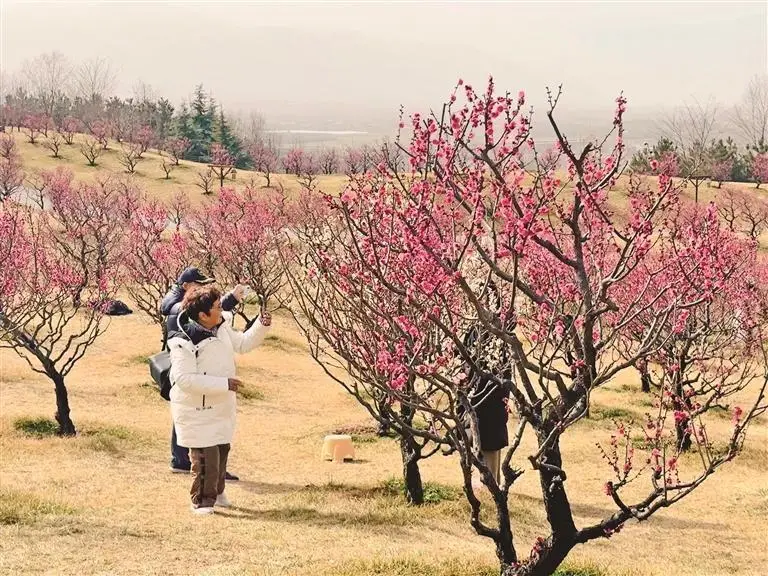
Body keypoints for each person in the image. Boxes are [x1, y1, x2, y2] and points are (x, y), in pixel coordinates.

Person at [167, 285, 271, 515]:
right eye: (216, 306)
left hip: (220, 406)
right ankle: (202, 501)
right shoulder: (183, 342)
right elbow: (184, 379)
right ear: (203, 315)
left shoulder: (221, 328)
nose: (221, 309)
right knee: (206, 458)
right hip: (197, 408)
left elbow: (242, 343)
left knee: (221, 450)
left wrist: (261, 326)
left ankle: (218, 492)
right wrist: (224, 384)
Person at [160, 266, 247, 478]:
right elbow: (202, 309)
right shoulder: (176, 305)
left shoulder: (181, 302)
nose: (203, 288)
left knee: (187, 416)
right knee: (190, 417)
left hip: (195, 370)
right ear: (186, 286)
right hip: (189, 366)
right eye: (199, 285)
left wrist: (231, 299)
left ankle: (183, 461)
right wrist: (229, 300)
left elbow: (208, 310)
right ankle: (184, 462)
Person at [457, 280, 511, 486]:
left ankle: (490, 487)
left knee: (489, 445)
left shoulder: (499, 332)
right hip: (474, 397)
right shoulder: (471, 329)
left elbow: (504, 371)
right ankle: (479, 485)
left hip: (492, 398)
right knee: (473, 440)